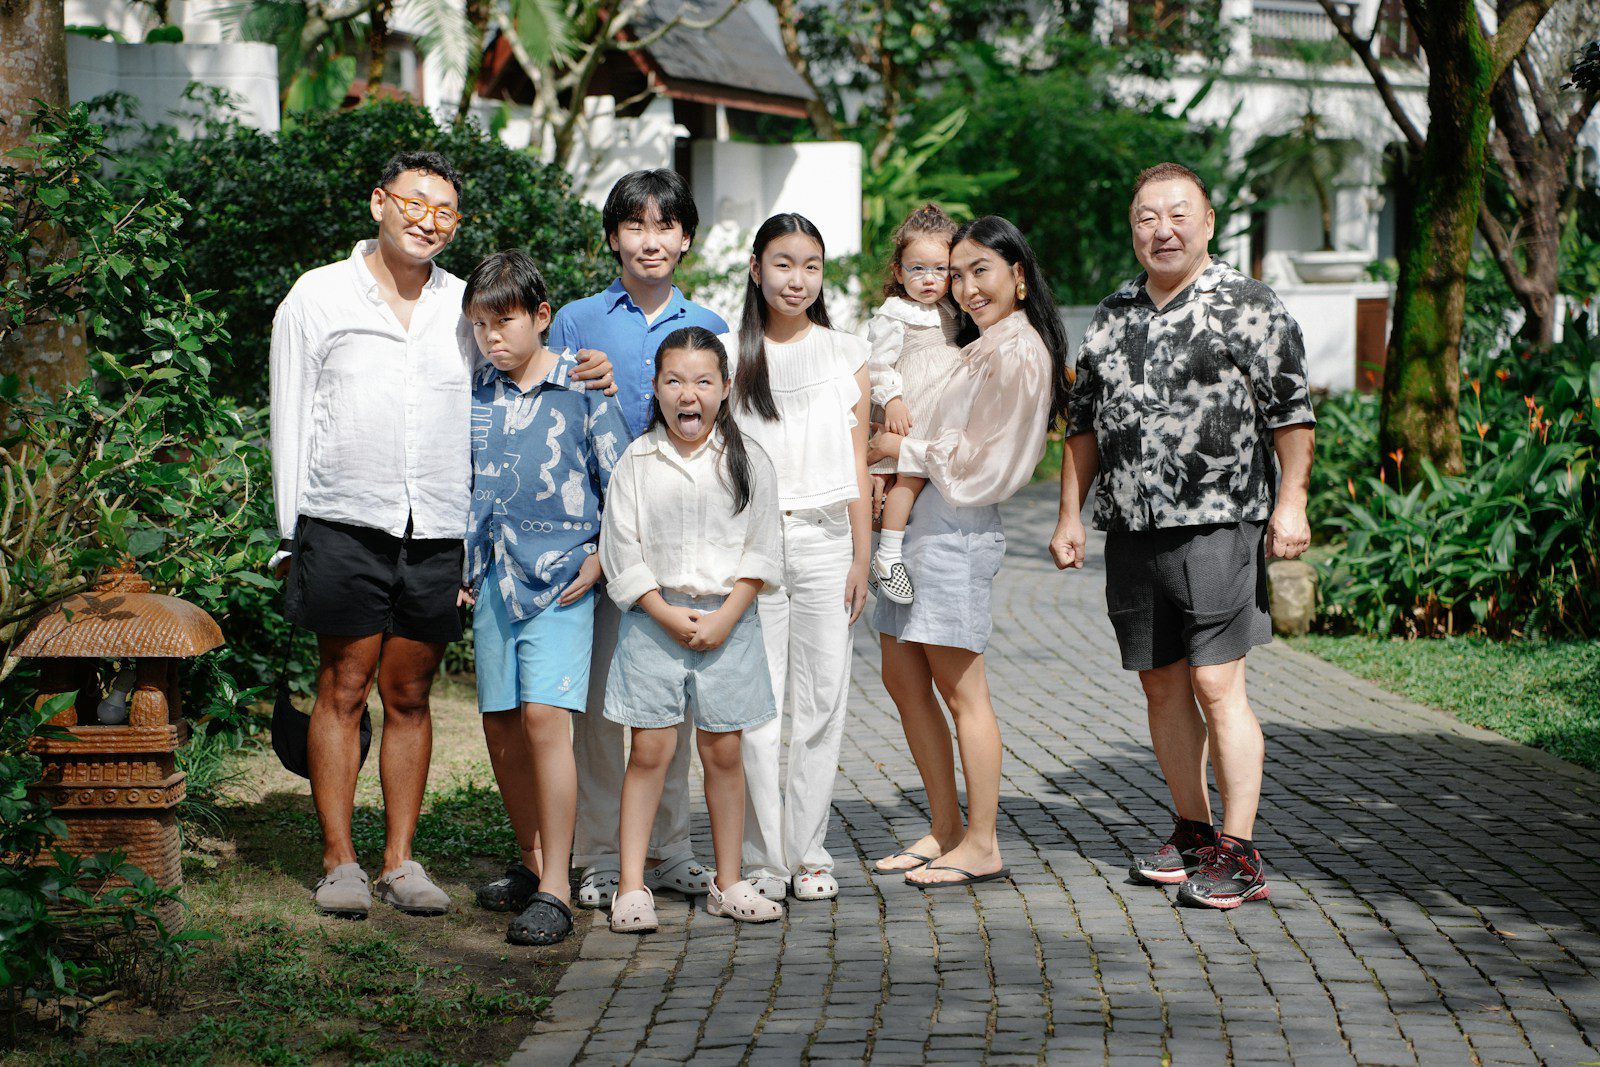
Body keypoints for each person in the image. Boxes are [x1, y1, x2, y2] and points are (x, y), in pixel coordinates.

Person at [270, 150, 611, 920]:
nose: (428, 220)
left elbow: (518, 373)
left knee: (411, 693)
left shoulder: (467, 309)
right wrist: (288, 532)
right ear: (378, 202)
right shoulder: (318, 297)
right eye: (415, 203)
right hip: (343, 518)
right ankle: (339, 859)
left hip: (438, 530)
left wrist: (587, 370)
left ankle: (399, 859)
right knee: (344, 686)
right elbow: (288, 414)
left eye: (446, 211)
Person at [1049, 161, 1315, 910]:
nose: (1161, 229)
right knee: (1160, 682)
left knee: (1214, 680)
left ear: (1206, 222)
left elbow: (1291, 414)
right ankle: (1193, 832)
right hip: (1131, 528)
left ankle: (1241, 848)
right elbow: (1083, 423)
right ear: (1133, 227)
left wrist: (1290, 504)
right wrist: (1070, 513)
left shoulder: (1248, 305)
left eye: (1176, 215)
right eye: (1145, 217)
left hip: (1220, 522)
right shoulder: (1111, 313)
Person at [542, 169, 729, 911]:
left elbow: (717, 433)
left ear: (685, 237)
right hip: (597, 542)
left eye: (665, 226)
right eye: (634, 227)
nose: (650, 241)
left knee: (675, 699)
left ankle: (673, 847)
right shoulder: (580, 321)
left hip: (683, 541)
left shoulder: (710, 324)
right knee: (595, 708)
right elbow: (551, 423)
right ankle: (593, 855)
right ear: (613, 237)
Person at [867, 215, 1067, 887]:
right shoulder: (976, 344)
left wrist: (902, 450)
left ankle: (981, 841)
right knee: (901, 676)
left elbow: (995, 465)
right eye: (956, 273)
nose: (966, 286)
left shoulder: (1017, 351)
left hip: (954, 535)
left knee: (962, 690)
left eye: (980, 270)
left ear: (1018, 274)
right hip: (916, 529)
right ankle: (947, 828)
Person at [457, 251, 629, 945]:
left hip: (561, 580)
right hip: (490, 580)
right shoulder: (476, 390)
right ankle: (531, 864)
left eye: (504, 322)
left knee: (544, 721)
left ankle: (558, 884)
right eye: (479, 325)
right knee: (501, 724)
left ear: (540, 317)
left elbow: (622, 484)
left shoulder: (583, 386)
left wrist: (602, 557)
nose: (492, 337)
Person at [600, 327, 786, 933]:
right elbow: (621, 549)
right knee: (650, 750)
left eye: (704, 381)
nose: (689, 394)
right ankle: (631, 887)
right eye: (675, 381)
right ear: (655, 388)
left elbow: (763, 548)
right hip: (653, 620)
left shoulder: (748, 459)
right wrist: (661, 610)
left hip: (730, 620)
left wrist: (728, 614)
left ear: (726, 388)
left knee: (723, 751)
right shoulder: (637, 461)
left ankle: (728, 882)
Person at [723, 213, 872, 902]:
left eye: (811, 265)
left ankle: (809, 850)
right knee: (760, 706)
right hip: (754, 548)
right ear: (756, 269)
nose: (798, 279)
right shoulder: (727, 355)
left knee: (822, 701)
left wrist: (862, 556)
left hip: (826, 543)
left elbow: (859, 462)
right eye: (783, 263)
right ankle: (763, 857)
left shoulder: (848, 352)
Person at [865, 204, 967, 605]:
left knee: (909, 482)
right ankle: (887, 557)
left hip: (940, 408)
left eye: (940, 269)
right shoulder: (895, 312)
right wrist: (890, 399)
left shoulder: (952, 307)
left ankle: (881, 554)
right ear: (898, 272)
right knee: (907, 478)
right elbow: (876, 361)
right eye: (917, 269)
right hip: (911, 408)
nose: (929, 279)